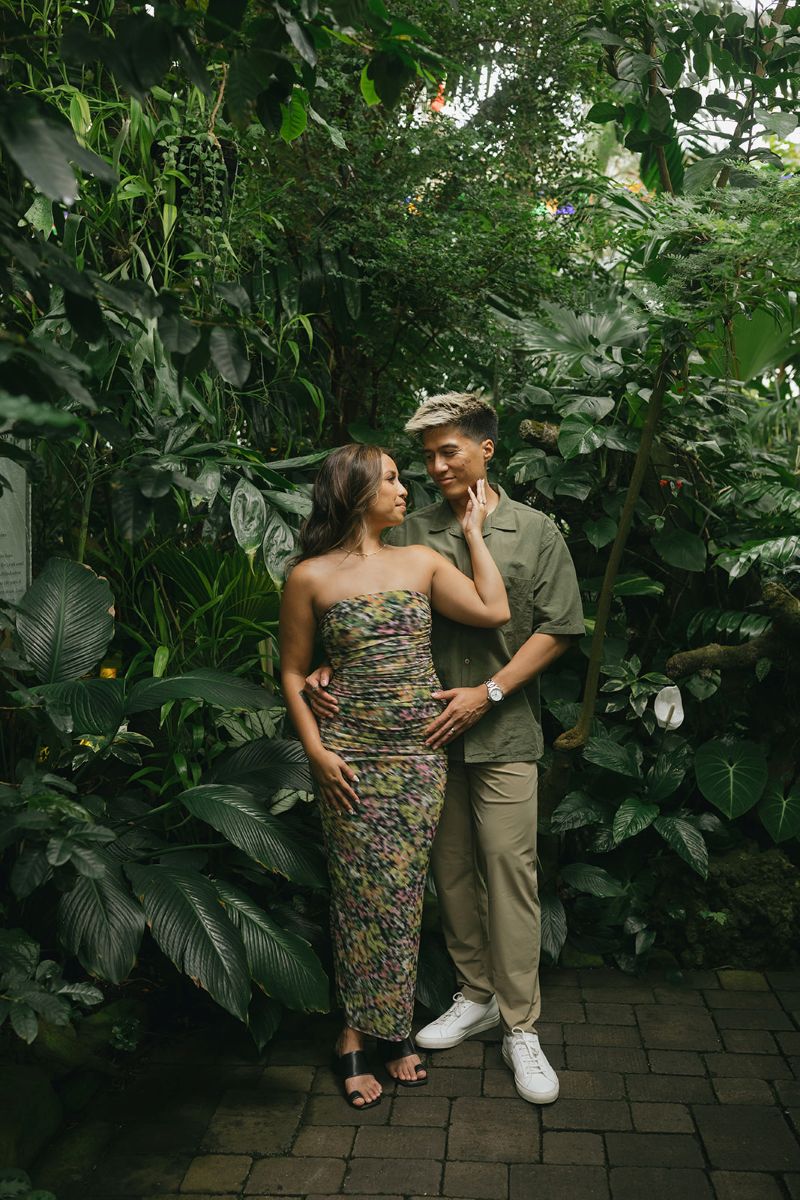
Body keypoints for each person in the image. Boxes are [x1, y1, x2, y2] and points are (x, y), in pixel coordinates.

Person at [306, 393, 584, 1105]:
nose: (432, 467)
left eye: (446, 451)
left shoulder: (535, 530)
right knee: (451, 874)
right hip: (414, 741)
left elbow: (556, 629)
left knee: (508, 872)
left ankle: (522, 1026)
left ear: (487, 448)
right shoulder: (409, 529)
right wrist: (331, 660)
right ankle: (475, 993)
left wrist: (486, 693)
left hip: (500, 731)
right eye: (424, 456)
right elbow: (369, 605)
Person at [279, 442, 509, 1111]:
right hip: (348, 755)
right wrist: (317, 752)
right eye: (391, 479)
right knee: (357, 893)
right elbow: (295, 673)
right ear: (356, 492)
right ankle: (354, 1034)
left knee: (404, 894)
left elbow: (494, 612)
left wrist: (473, 535)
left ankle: (393, 1025)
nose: (405, 489)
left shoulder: (423, 561)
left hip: (416, 755)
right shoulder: (310, 577)